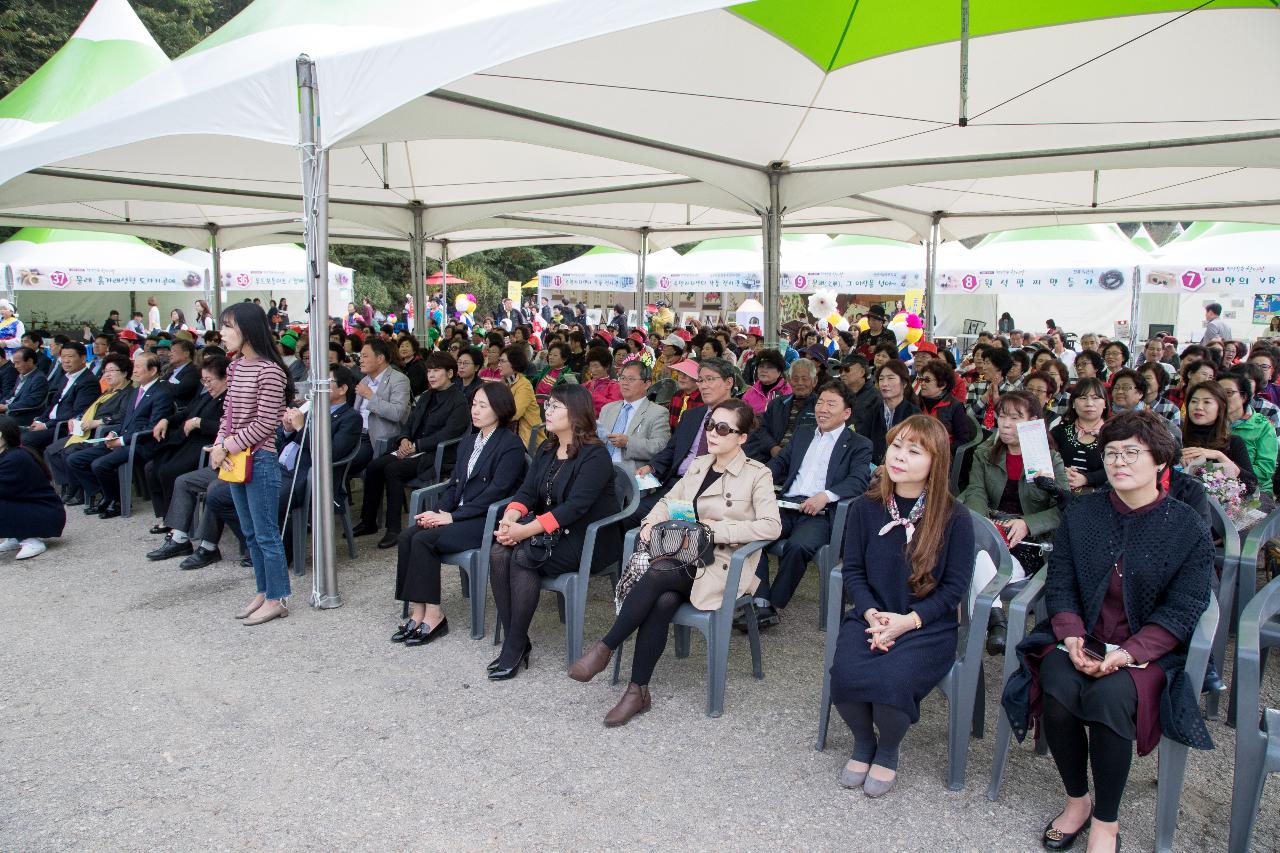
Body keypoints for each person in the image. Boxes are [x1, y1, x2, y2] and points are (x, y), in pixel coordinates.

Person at [1001, 410, 1214, 853]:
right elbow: (1061, 581)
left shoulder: (1186, 525)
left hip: (1149, 649)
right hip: (1085, 635)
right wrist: (1072, 634)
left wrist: (1131, 651)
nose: (1119, 461)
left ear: (1160, 461)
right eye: (1111, 452)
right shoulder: (1084, 512)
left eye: (1132, 453)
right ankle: (1077, 801)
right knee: (1057, 686)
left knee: (1108, 697)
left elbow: (1186, 605)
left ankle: (1106, 820)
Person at [568, 399, 781, 724]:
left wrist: (714, 531)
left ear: (741, 437)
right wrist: (652, 521)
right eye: (711, 425)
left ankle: (606, 647)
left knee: (658, 573)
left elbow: (771, 526)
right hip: (684, 555)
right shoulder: (699, 464)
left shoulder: (757, 475)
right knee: (662, 599)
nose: (713, 432)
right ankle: (636, 691)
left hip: (722, 563)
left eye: (723, 428)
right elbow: (670, 500)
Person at [828, 415, 975, 797]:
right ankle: (864, 742)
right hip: (872, 616)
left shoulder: (954, 517)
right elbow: (854, 569)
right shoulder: (865, 507)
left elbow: (954, 588)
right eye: (896, 446)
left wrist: (907, 622)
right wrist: (870, 613)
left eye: (914, 451)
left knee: (892, 683)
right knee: (844, 676)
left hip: (926, 624)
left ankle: (888, 750)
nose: (899, 457)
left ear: (935, 461)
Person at [487, 385, 622, 680]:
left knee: (522, 556)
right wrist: (511, 519)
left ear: (576, 414)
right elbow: (526, 492)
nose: (547, 411)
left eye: (555, 406)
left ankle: (513, 645)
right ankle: (517, 640)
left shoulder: (595, 455)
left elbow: (573, 509)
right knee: (499, 552)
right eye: (547, 405)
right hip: (549, 532)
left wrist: (523, 532)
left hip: (587, 539)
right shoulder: (547, 449)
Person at [393, 382, 529, 646]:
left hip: (485, 520)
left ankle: (434, 615)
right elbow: (455, 484)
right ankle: (418, 610)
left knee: (422, 541)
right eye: (474, 404)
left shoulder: (510, 444)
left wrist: (452, 517)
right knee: (407, 536)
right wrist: (440, 510)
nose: (475, 410)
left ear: (499, 410)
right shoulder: (469, 442)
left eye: (482, 406)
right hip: (460, 515)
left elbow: (496, 492)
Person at [751, 382, 872, 625]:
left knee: (798, 547)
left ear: (846, 413)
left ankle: (773, 604)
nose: (822, 409)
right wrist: (759, 480)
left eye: (831, 404)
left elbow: (858, 481)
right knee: (754, 537)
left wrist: (825, 495)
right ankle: (760, 601)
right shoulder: (803, 432)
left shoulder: (859, 443)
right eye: (820, 403)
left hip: (820, 512)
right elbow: (781, 463)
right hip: (786, 505)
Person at [960, 390, 1069, 654]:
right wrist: (983, 522)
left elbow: (1062, 508)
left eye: (1016, 418)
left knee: (976, 562)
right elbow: (975, 491)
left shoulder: (1049, 459)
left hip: (1028, 540)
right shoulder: (985, 452)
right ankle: (996, 619)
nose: (1005, 423)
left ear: (1033, 422)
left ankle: (986, 629)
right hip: (989, 527)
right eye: (1002, 416)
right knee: (978, 548)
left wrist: (1028, 523)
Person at [210, 303, 293, 626]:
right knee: (249, 532)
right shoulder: (235, 367)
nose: (223, 333)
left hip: (259, 459)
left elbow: (265, 423)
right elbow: (227, 415)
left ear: (246, 329)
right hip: (234, 458)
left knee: (266, 533)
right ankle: (263, 590)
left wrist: (226, 445)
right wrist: (220, 444)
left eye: (228, 327)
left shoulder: (270, 371)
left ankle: (278, 596)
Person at [354, 352, 471, 548]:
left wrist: (416, 446)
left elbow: (448, 434)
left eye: (436, 371)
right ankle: (369, 521)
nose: (431, 375)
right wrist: (404, 440)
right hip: (412, 448)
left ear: (450, 373)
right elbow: (409, 423)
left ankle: (394, 530)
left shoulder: (458, 401)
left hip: (436, 454)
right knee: (374, 466)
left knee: (393, 470)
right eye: (429, 371)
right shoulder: (426, 396)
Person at [66, 352, 174, 518]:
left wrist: (122, 440)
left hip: (142, 444)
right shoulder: (136, 391)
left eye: (138, 367)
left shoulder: (161, 393)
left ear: (152, 371)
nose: (134, 370)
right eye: (134, 366)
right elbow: (125, 419)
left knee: (99, 464)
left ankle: (116, 501)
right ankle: (106, 495)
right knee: (75, 459)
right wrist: (114, 433)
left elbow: (152, 428)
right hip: (124, 439)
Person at [144, 356, 228, 530]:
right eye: (203, 381)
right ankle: (165, 514)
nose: (206, 385)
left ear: (226, 378)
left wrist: (199, 422)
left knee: (170, 470)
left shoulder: (230, 399)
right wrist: (166, 420)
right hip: (186, 441)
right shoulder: (208, 396)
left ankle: (177, 523)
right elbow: (186, 412)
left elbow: (225, 427)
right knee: (151, 467)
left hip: (206, 447)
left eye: (210, 380)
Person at [46, 354, 132, 502]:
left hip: (102, 433)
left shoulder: (129, 393)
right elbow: (89, 410)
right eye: (105, 371)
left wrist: (99, 422)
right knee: (51, 451)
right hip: (86, 431)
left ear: (124, 373)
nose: (107, 374)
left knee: (69, 452)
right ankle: (73, 485)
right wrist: (77, 419)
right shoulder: (108, 392)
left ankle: (83, 491)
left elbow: (123, 416)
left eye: (112, 370)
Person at [0, 415, 65, 560]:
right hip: (32, 508)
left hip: (45, 514)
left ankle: (29, 539)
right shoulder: (6, 455)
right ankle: (15, 536)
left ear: (4, 436)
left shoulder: (15, 458)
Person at [349, 338, 412, 478]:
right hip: (355, 434)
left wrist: (371, 397)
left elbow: (397, 413)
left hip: (375, 438)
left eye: (365, 356)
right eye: (360, 356)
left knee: (341, 464)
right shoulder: (364, 380)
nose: (361, 360)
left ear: (380, 358)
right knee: (326, 459)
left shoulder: (399, 379)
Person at [20, 342, 98, 455]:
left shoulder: (88, 382)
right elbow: (53, 404)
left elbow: (77, 411)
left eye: (70, 356)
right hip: (50, 423)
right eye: (63, 357)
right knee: (10, 432)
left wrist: (46, 425)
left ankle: (38, 470)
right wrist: (40, 420)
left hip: (62, 427)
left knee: (26, 439)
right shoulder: (65, 377)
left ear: (83, 358)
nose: (66, 360)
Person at [1182, 381, 1258, 495]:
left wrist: (1220, 456)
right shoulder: (1177, 438)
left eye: (1207, 402)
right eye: (1194, 401)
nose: (1198, 407)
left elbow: (1251, 486)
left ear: (1221, 407)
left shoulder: (1233, 443)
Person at [597, 360, 670, 478]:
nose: (625, 383)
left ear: (647, 384)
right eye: (622, 378)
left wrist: (628, 442)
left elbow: (661, 446)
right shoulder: (608, 408)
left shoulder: (658, 412)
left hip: (631, 472)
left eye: (631, 379)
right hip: (600, 467)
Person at [746, 358, 819, 461]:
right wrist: (772, 447)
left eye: (805, 378)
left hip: (802, 461)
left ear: (814, 381)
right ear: (789, 380)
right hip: (772, 456)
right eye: (795, 378)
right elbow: (762, 428)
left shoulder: (821, 407)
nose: (800, 383)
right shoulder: (777, 404)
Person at [1220, 371, 1278, 489]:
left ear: (1244, 397)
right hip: (1213, 485)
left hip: (1256, 490)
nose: (1222, 398)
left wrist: (1223, 468)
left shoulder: (1263, 426)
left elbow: (1264, 471)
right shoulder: (1209, 421)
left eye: (1229, 393)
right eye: (1218, 394)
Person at [1050, 378, 1108, 494]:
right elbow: (1044, 461)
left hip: (1100, 498)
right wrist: (1061, 472)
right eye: (1082, 398)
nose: (1089, 403)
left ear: (1105, 404)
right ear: (1073, 404)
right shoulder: (1059, 431)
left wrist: (1086, 479)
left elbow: (1118, 467)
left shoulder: (1113, 435)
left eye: (1096, 398)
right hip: (1058, 495)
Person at [858, 360, 921, 465]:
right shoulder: (871, 410)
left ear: (904, 383)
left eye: (890, 378)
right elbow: (863, 443)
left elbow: (914, 451)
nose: (884, 383)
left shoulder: (914, 415)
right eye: (881, 379)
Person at [916, 360, 975, 453]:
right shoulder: (916, 402)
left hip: (942, 455)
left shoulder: (955, 406)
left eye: (927, 380)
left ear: (942, 384)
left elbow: (963, 440)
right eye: (921, 379)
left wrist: (941, 450)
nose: (922, 383)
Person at [499, 344, 541, 447]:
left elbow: (514, 414)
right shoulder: (506, 382)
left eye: (503, 361)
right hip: (509, 432)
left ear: (514, 364)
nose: (499, 364)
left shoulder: (524, 385)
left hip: (525, 436)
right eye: (499, 361)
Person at [0, 347, 49, 426]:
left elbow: (32, 402)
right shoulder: (21, 375)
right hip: (11, 411)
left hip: (24, 415)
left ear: (30, 361)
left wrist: (7, 407)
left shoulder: (39, 378)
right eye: (14, 363)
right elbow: (11, 394)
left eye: (18, 363)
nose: (15, 366)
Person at [741, 349, 791, 414]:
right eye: (761, 366)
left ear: (779, 371)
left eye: (769, 367)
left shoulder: (788, 392)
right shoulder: (749, 393)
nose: (764, 370)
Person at [582, 347, 620, 416]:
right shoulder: (588, 384)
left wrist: (591, 395)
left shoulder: (614, 386)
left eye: (596, 366)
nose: (592, 370)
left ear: (607, 366)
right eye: (590, 366)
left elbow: (614, 408)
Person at [665, 358, 702, 428]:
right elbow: (670, 422)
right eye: (680, 372)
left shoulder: (703, 399)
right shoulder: (677, 396)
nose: (682, 377)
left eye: (687, 374)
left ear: (698, 379)